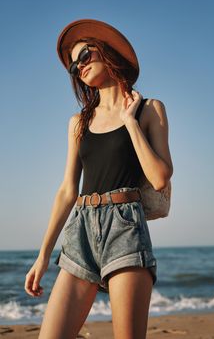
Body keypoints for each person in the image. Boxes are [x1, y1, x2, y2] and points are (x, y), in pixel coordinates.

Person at [24, 18, 173, 339]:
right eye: (73, 66)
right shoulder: (78, 122)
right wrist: (43, 255)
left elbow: (160, 178)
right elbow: (67, 190)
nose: (78, 67)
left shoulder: (150, 109)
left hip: (125, 227)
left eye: (84, 56)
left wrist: (130, 123)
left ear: (107, 52)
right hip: (80, 229)